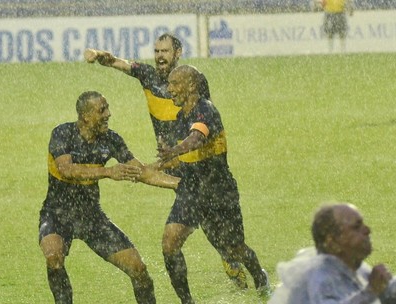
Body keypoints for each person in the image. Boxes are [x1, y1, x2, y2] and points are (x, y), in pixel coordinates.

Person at [84, 33, 249, 289]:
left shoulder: (193, 81)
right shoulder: (148, 75)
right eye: (157, 51)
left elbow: (203, 114)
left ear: (178, 53)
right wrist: (102, 57)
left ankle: (232, 256)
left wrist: (187, 146)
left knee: (207, 217)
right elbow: (121, 64)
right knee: (183, 220)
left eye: (165, 51)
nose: (160, 56)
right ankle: (222, 262)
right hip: (170, 161)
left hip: (194, 160)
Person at [38, 91, 180, 304]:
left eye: (107, 108)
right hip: (57, 214)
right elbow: (66, 169)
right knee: (53, 257)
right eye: (102, 110)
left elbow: (139, 171)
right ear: (85, 116)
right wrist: (108, 172)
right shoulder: (62, 133)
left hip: (91, 218)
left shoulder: (111, 139)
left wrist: (179, 185)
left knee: (138, 269)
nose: (109, 114)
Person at [156, 65, 271, 303]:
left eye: (175, 84)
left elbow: (197, 139)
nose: (170, 90)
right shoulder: (180, 117)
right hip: (192, 192)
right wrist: (150, 168)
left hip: (219, 192)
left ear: (191, 86)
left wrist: (173, 151)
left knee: (233, 249)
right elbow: (184, 158)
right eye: (169, 84)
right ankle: (187, 301)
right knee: (170, 243)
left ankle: (260, 279)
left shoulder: (205, 110)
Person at [269, 203, 396, 304]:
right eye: (356, 227)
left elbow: (392, 295)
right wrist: (371, 291)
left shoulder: (351, 269)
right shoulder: (320, 278)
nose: (367, 230)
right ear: (332, 240)